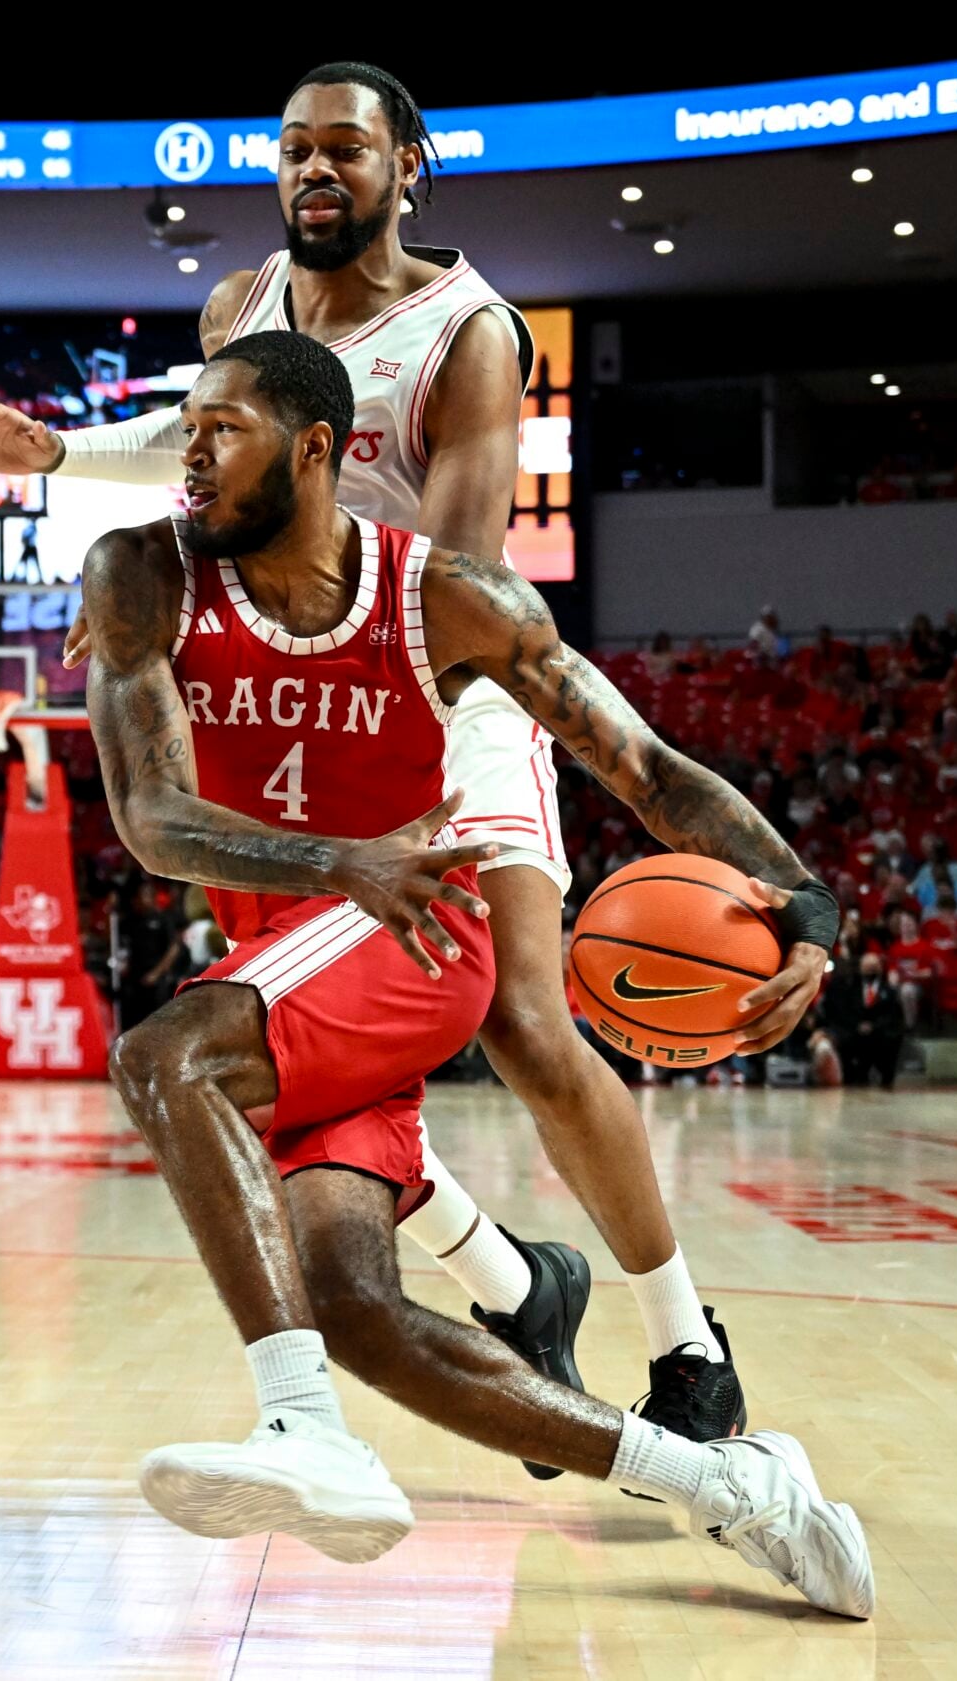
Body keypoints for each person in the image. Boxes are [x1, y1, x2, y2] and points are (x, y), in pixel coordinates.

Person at [0, 62, 752, 1436]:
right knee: (318, 1046)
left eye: (345, 150)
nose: (315, 169)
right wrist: (70, 467)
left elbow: (468, 570)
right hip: (287, 703)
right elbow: (206, 450)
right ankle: (511, 1281)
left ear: (407, 164)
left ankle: (686, 1342)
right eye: (294, 148)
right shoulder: (238, 304)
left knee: (525, 1019)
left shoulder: (468, 329)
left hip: (439, 690)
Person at [77, 332, 868, 1609]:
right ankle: (731, 1487)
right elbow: (152, 822)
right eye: (188, 427)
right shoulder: (142, 575)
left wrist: (814, 908)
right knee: (352, 1303)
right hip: (307, 951)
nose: (192, 454)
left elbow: (648, 772)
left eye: (222, 428)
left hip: (420, 936)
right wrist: (341, 862)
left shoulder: (448, 598)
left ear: (318, 449)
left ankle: (303, 1433)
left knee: (160, 1057)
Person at [825, 950, 905, 1089]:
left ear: (879, 968)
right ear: (861, 969)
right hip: (855, 1031)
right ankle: (851, 1077)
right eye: (867, 968)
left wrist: (874, 1026)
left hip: (880, 1033)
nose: (870, 971)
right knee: (844, 1037)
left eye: (873, 967)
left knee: (890, 1038)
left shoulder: (889, 991)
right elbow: (844, 1012)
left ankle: (886, 1078)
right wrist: (858, 1025)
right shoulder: (850, 989)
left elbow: (893, 1015)